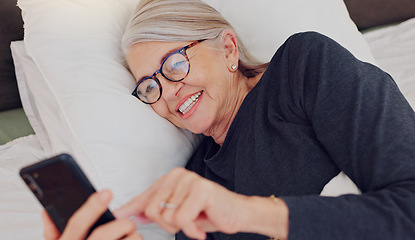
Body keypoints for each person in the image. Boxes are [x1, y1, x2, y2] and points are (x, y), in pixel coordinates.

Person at [42, 0, 415, 239]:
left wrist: (243, 213)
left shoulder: (304, 69)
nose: (168, 92)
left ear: (228, 49)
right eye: (149, 87)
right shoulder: (194, 185)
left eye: (175, 64)